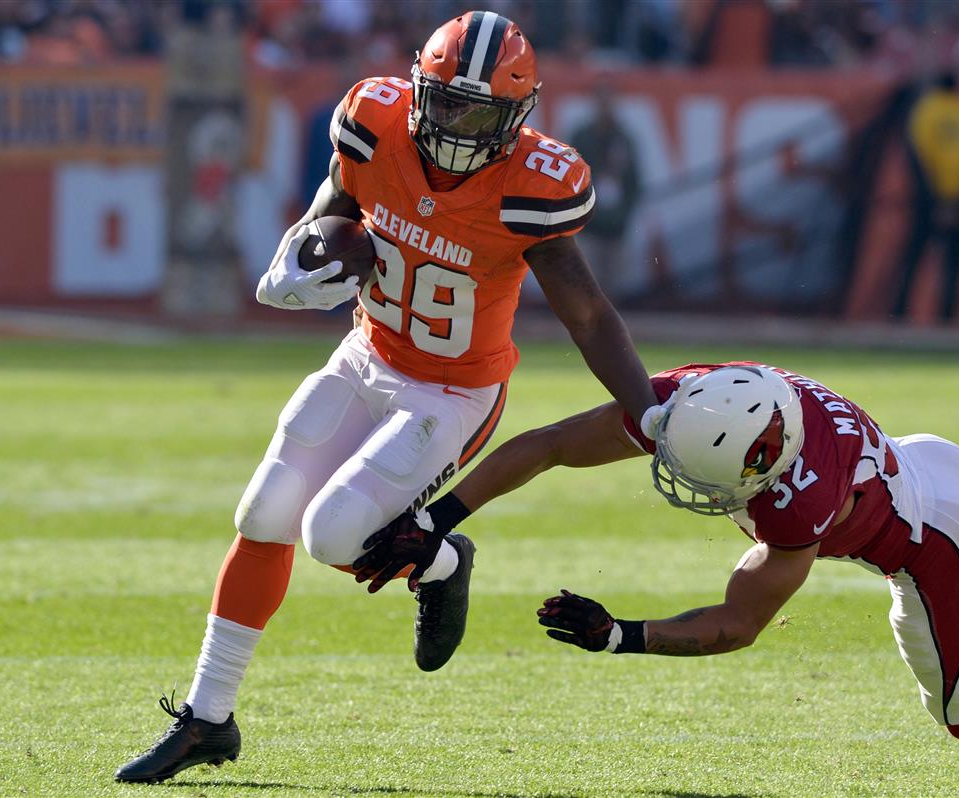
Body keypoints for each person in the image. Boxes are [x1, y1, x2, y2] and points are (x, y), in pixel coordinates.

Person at [115, 10, 661, 784]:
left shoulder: (531, 186)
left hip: (452, 388)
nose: (461, 125)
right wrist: (300, 252)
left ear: (518, 115)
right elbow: (336, 203)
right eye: (447, 101)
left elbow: (587, 313)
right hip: (365, 351)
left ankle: (441, 562)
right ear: (417, 86)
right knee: (264, 512)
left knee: (332, 535)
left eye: (482, 112)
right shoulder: (374, 123)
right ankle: (209, 718)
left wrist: (647, 410)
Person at [356, 362, 959, 781]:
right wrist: (436, 520)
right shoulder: (716, 402)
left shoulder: (792, 501)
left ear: (761, 470)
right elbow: (547, 447)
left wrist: (623, 639)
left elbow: (738, 623)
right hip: (930, 463)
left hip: (931, 535)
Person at [890, 72, 959, 324]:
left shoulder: (925, 113)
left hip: (928, 200)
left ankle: (900, 314)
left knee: (913, 259)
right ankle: (946, 318)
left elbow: (918, 158)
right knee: (953, 264)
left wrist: (934, 201)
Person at [569, 85, 640, 298]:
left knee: (612, 286)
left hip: (616, 225)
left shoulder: (624, 138)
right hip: (589, 222)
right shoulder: (583, 135)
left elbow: (633, 181)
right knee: (586, 282)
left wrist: (623, 215)